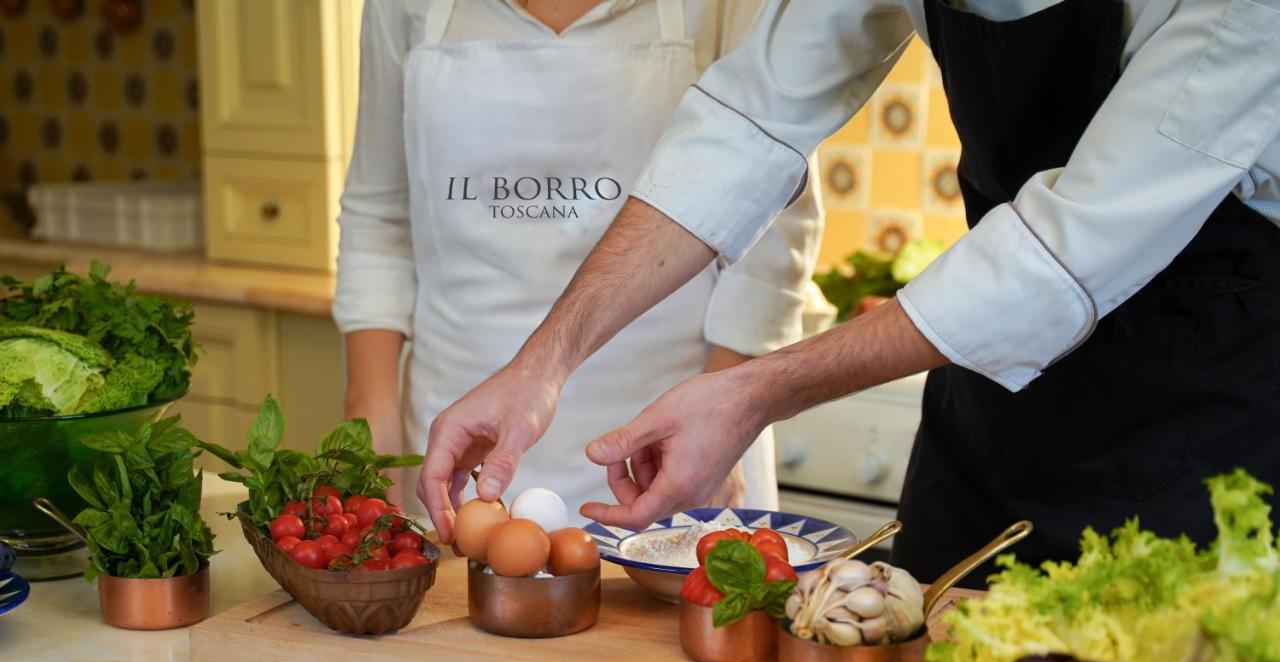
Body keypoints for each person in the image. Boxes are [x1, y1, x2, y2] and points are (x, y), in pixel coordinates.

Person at [420, 0, 1280, 582]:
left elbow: (1062, 252)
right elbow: (749, 121)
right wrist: (544, 363)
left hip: (1205, 412)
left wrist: (756, 388)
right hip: (988, 427)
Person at [333, 0, 823, 520]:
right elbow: (379, 213)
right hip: (452, 444)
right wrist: (370, 423)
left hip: (671, 439)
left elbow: (775, 221)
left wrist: (726, 410)